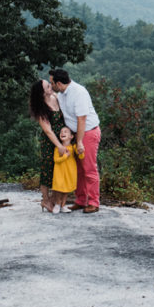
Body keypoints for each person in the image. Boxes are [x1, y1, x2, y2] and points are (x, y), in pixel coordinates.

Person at [51, 69, 102, 213]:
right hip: (75, 134)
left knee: (89, 169)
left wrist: (79, 142)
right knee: (78, 169)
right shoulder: (61, 94)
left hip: (88, 132)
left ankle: (93, 202)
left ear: (59, 83)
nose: (51, 85)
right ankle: (81, 200)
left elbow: (82, 119)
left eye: (52, 83)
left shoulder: (79, 92)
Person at [28, 79, 66, 212]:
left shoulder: (55, 97)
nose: (51, 87)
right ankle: (45, 200)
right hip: (49, 143)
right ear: (42, 93)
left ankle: (55, 200)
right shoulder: (41, 108)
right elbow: (48, 131)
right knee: (48, 170)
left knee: (59, 170)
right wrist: (59, 146)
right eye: (48, 87)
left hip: (62, 138)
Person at [50, 126, 83, 214]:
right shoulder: (58, 148)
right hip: (59, 171)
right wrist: (65, 156)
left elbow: (80, 156)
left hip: (70, 171)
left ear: (71, 136)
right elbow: (56, 160)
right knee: (59, 188)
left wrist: (81, 151)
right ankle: (57, 204)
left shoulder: (73, 147)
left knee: (66, 189)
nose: (62, 133)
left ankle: (63, 205)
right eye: (61, 132)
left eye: (65, 132)